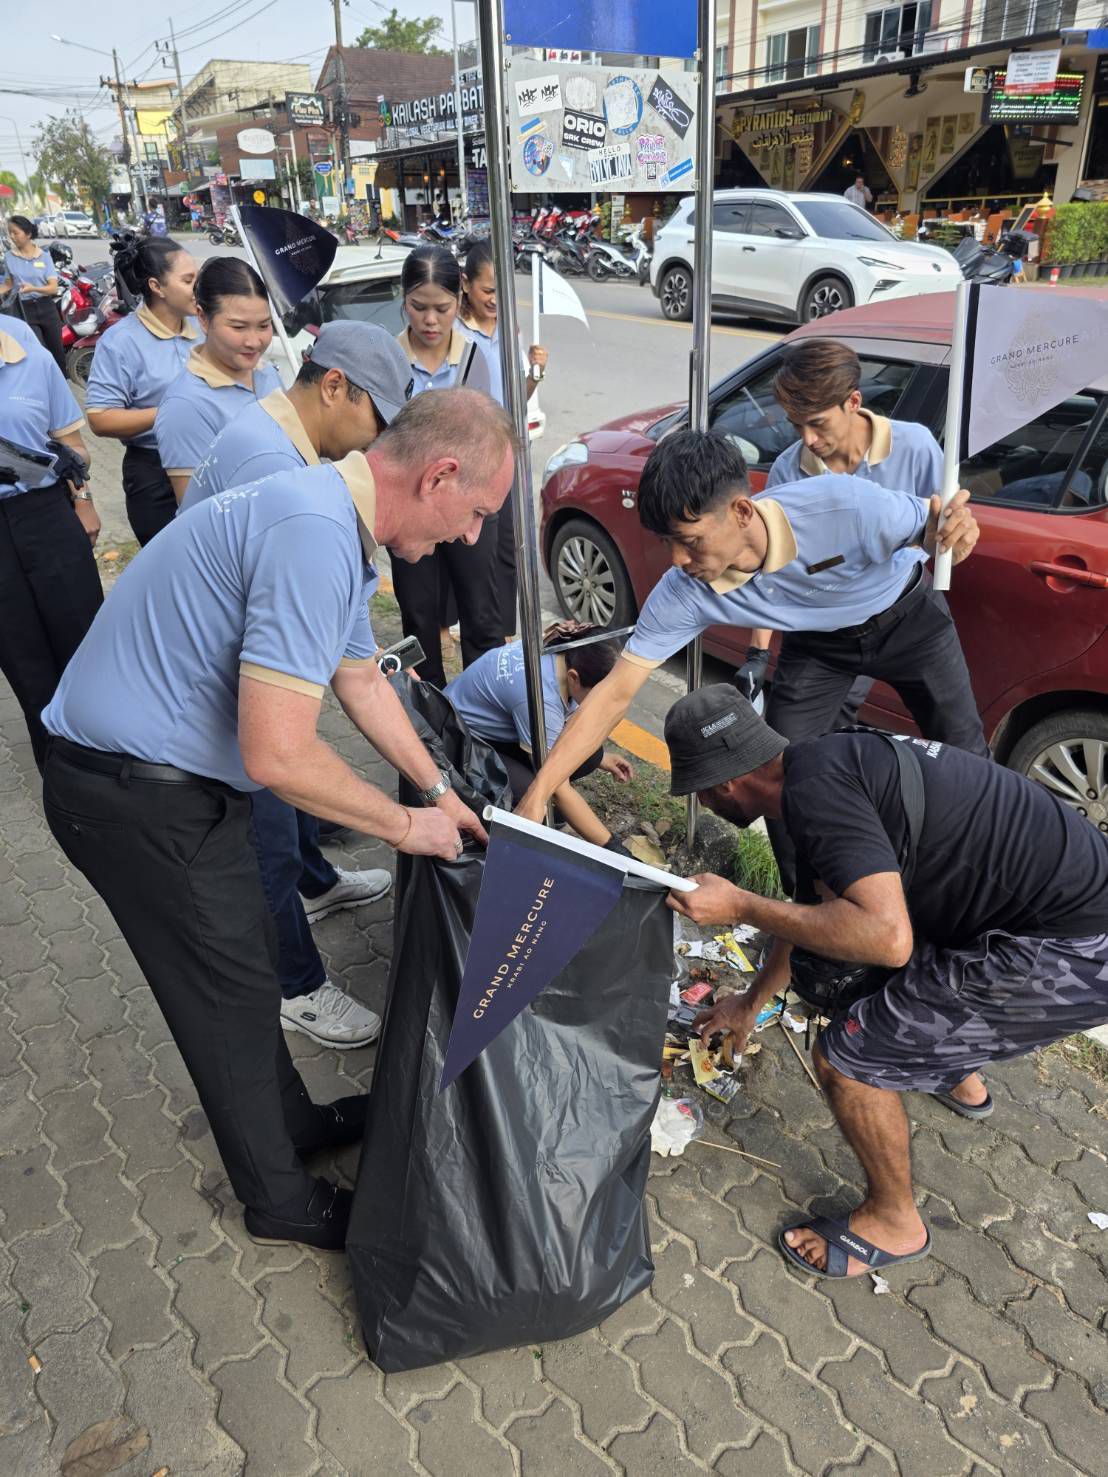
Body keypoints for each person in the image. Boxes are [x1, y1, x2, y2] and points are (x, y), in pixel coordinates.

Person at [41, 387, 516, 1250]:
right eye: (478, 512)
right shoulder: (312, 534)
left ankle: (291, 1123)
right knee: (223, 996)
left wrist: (440, 792)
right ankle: (279, 1200)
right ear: (440, 476)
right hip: (135, 795)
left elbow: (361, 678)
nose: (473, 535)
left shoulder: (333, 519)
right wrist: (404, 827)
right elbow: (280, 755)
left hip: (176, 781)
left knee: (248, 965)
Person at [663, 685, 1108, 1280]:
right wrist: (749, 1003)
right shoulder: (819, 764)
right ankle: (957, 1074)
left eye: (698, 789)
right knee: (909, 985)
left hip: (1070, 951)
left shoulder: (816, 799)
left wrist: (741, 905)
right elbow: (815, 915)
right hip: (1046, 904)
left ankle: (894, 1222)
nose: (701, 800)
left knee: (849, 1058)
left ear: (724, 785)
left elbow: (886, 938)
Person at [516, 430, 982, 841]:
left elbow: (935, 527)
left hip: (907, 617)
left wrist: (953, 533)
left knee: (963, 750)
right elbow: (613, 695)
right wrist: (538, 793)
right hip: (819, 643)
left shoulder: (846, 505)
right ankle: (806, 897)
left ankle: (985, 863)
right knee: (781, 772)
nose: (677, 559)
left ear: (741, 511)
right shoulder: (684, 590)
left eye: (690, 540)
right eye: (667, 542)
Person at [183, 320, 417, 1050]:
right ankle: (295, 985)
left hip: (242, 666)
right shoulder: (272, 463)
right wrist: (404, 821)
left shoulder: (291, 444)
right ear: (336, 386)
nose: (380, 444)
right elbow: (318, 650)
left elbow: (352, 652)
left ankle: (318, 882)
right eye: (379, 421)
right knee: (270, 835)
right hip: (219, 691)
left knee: (292, 822)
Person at [737, 339, 945, 710]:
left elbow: (944, 534)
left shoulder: (916, 446)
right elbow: (774, 572)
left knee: (954, 731)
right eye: (797, 426)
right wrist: (758, 653)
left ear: (853, 402)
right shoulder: (787, 470)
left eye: (818, 424)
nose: (808, 439)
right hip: (824, 623)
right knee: (791, 736)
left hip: (904, 606)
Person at [390, 246, 503, 689]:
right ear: (403, 299)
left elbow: (488, 438)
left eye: (443, 308)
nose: (431, 321)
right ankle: (427, 709)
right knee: (417, 615)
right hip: (407, 509)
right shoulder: (388, 357)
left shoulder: (475, 357)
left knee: (482, 612)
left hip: (465, 507)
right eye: (419, 307)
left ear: (460, 299)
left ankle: (485, 705)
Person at [0, 315, 102, 770]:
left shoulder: (26, 352)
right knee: (25, 665)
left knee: (86, 647)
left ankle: (110, 769)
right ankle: (62, 780)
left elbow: (72, 446)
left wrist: (83, 501)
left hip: (47, 513)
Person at [444, 621, 633, 845]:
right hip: (459, 741)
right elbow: (557, 789)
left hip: (491, 728)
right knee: (542, 807)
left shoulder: (564, 652)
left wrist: (602, 758)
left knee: (590, 756)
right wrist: (613, 848)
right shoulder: (541, 698)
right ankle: (481, 812)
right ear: (574, 678)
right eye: (600, 696)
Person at [85, 237, 201, 546]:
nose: (198, 288)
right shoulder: (121, 341)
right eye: (188, 280)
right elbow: (100, 418)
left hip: (210, 461)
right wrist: (171, 411)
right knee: (171, 560)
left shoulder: (204, 326)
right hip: (155, 472)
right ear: (156, 286)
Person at [460, 240, 548, 639]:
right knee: (479, 553)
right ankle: (481, 635)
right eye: (488, 290)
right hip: (471, 461)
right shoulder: (456, 332)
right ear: (466, 284)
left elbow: (517, 400)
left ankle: (507, 634)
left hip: (506, 455)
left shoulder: (510, 329)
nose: (496, 300)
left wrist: (536, 374)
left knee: (510, 549)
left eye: (503, 292)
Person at [154, 257, 281, 502]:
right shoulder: (184, 406)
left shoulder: (267, 372)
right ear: (203, 318)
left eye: (264, 326)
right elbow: (197, 510)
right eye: (238, 327)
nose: (254, 341)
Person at [1, 215, 65, 372]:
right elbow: (9, 284)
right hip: (24, 310)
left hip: (47, 308)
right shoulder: (9, 257)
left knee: (58, 352)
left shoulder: (44, 256)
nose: (12, 236)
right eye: (10, 233)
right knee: (38, 352)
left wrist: (34, 289)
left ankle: (62, 381)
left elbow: (53, 288)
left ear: (28, 234)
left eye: (16, 232)